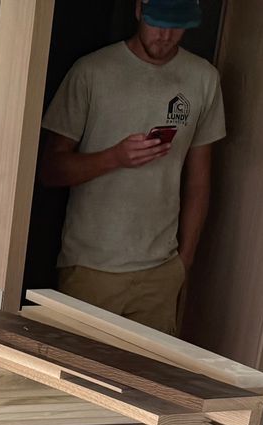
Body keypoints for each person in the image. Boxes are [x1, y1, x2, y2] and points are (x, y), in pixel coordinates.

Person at [37, 0, 225, 334]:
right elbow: (50, 170)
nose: (165, 35)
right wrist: (114, 157)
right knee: (78, 364)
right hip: (91, 267)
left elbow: (199, 181)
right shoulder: (92, 71)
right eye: (157, 22)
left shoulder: (203, 78)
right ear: (139, 10)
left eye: (176, 25)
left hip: (162, 270)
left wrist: (185, 261)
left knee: (149, 369)